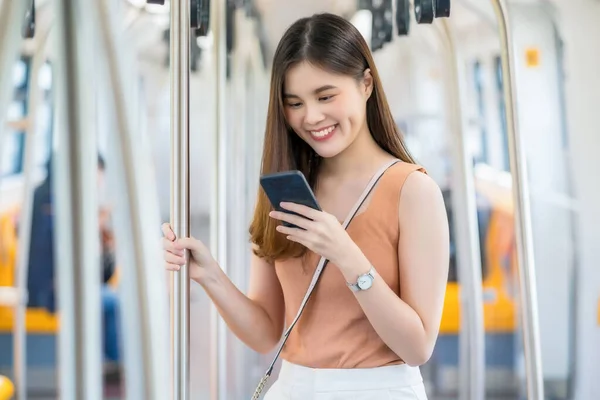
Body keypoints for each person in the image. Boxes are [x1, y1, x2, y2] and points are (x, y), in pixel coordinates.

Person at [162, 13, 449, 399]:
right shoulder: (284, 190)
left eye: (326, 96)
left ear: (366, 84)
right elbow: (265, 332)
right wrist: (210, 275)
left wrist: (347, 255)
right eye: (294, 103)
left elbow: (418, 347)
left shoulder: (414, 191)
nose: (311, 117)